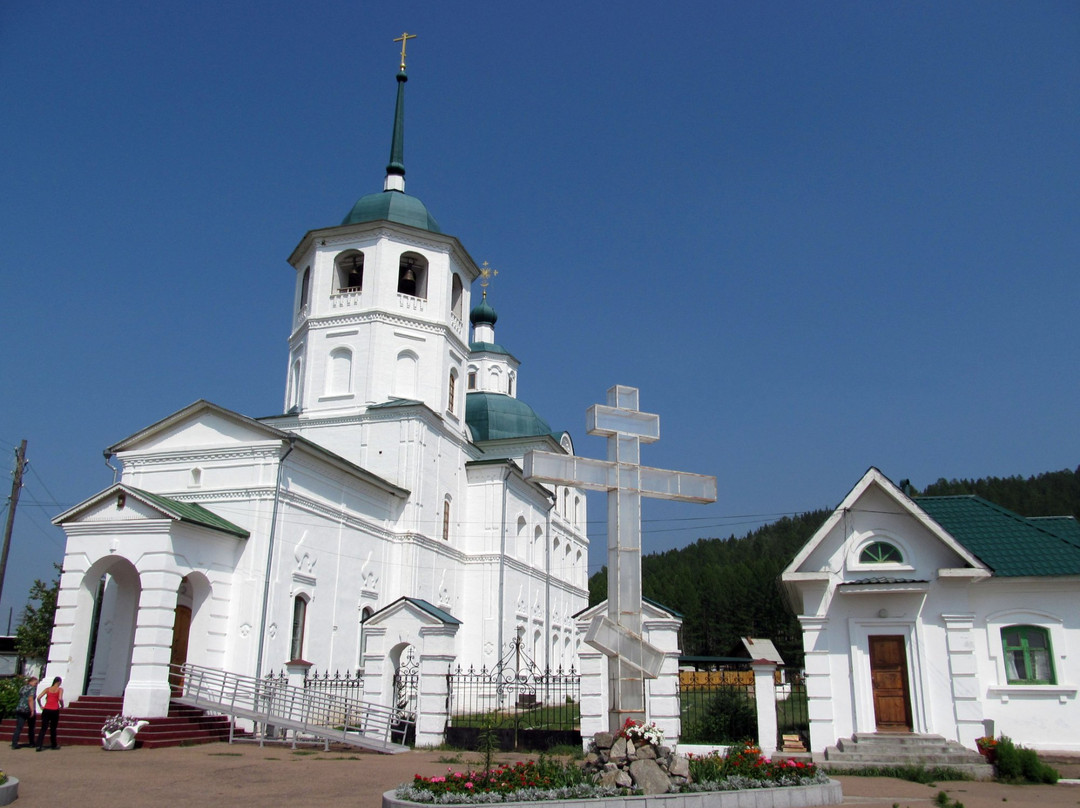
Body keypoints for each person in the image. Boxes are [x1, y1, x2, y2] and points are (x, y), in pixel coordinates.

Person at [35, 676, 64, 751]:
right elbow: (60, 698)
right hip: (54, 709)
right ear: (59, 682)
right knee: (53, 728)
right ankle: (54, 744)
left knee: (43, 728)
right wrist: (62, 705)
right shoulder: (60, 689)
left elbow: (38, 697)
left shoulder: (47, 689)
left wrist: (41, 706)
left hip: (46, 709)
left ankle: (39, 745)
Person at [10, 675, 38, 748]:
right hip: (27, 709)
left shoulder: (22, 688)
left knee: (19, 727)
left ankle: (14, 743)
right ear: (31, 682)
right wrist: (32, 710)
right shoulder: (32, 689)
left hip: (20, 708)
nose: (36, 685)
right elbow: (30, 699)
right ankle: (31, 742)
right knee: (31, 727)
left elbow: (20, 696)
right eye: (35, 683)